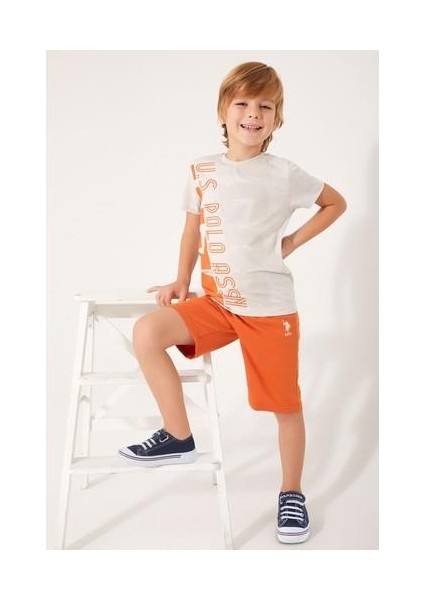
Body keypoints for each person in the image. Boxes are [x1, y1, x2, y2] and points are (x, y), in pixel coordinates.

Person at [119, 61, 347, 544]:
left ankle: (291, 492)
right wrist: (180, 281)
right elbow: (192, 230)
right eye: (242, 103)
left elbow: (335, 203)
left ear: (277, 118)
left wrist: (290, 243)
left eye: (265, 106)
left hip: (269, 310)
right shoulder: (201, 170)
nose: (253, 113)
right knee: (148, 332)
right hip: (218, 303)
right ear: (222, 112)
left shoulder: (284, 173)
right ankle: (178, 435)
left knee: (285, 404)